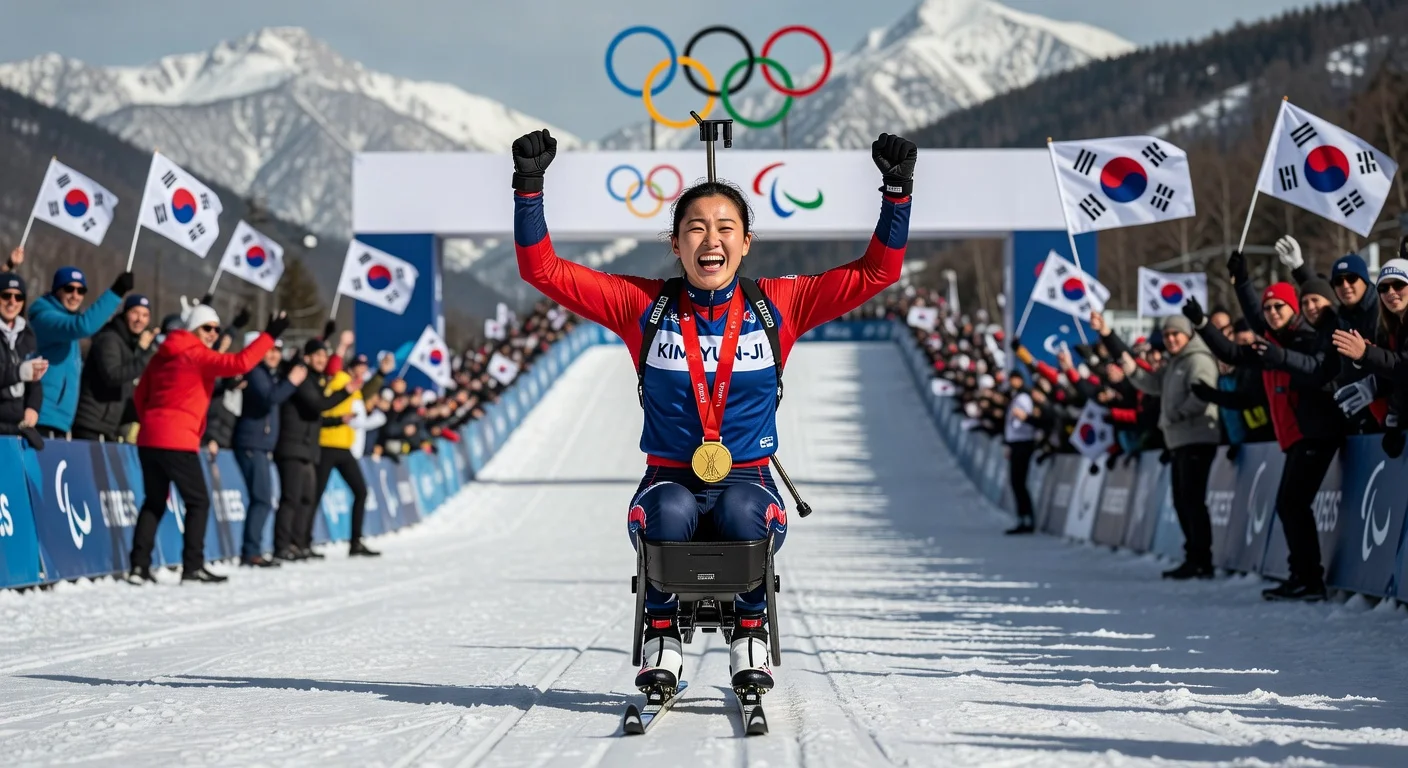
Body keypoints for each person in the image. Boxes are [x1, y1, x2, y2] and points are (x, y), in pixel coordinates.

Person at [510, 127, 916, 695]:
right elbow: (543, 271)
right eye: (695, 229)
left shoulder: (779, 304)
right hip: (667, 479)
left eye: (725, 228)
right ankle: (661, 631)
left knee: (745, 510)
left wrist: (897, 193)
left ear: (747, 242)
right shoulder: (642, 307)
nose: (711, 240)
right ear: (674, 244)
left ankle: (750, 629)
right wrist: (528, 189)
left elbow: (877, 273)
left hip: (749, 478)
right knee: (670, 512)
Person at [1186, 252, 1340, 602]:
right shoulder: (1275, 343)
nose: (1271, 313)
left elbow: (1312, 364)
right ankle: (1302, 576)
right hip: (1296, 438)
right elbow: (1231, 353)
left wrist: (1244, 285)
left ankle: (1309, 579)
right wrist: (1202, 324)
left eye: (1279, 308)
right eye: (1268, 309)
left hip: (1315, 434)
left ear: (1294, 311)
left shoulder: (1304, 338)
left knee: (1292, 505)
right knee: (1290, 505)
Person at [126, 307, 288, 585]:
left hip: (151, 438)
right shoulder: (196, 354)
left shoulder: (161, 355)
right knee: (198, 501)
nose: (213, 334)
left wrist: (153, 422)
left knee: (154, 501)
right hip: (177, 440)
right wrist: (270, 335)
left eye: (216, 328)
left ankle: (139, 567)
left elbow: (140, 395)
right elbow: (240, 362)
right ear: (192, 329)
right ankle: (193, 567)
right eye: (207, 328)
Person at [1121, 314, 1220, 580]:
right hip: (1179, 440)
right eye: (1167, 335)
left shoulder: (1198, 359)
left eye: (1176, 334)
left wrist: (1176, 414)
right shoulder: (1175, 362)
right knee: (1182, 501)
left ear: (1188, 335)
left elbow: (1203, 394)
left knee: (1193, 501)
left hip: (1198, 437)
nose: (1171, 339)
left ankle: (1202, 559)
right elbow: (1152, 384)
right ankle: (1193, 556)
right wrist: (1131, 370)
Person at [274, 338, 356, 561]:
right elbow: (317, 406)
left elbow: (316, 418)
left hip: (308, 448)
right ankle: (282, 546)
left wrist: (339, 420)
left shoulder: (315, 380)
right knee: (290, 498)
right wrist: (345, 392)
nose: (321, 359)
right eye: (317, 355)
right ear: (307, 357)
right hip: (292, 446)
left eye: (324, 355)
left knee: (307, 498)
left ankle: (300, 544)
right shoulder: (301, 376)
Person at [30, 265, 133, 437]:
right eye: (69, 289)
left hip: (61, 422)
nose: (75, 295)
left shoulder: (68, 323)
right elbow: (83, 326)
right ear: (57, 290)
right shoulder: (46, 318)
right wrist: (116, 291)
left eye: (81, 290)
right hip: (41, 417)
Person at [232, 332, 305, 568]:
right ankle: (251, 551)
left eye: (276, 351)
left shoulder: (268, 374)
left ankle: (253, 549)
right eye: (269, 350)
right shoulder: (255, 373)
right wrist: (292, 381)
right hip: (251, 443)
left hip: (261, 445)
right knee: (262, 499)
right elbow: (269, 398)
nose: (274, 355)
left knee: (263, 499)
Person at [1333, 257, 1408, 459]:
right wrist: (1392, 419)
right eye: (1383, 288)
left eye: (1399, 284)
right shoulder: (1389, 328)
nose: (1391, 292)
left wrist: (1366, 355)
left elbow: (1404, 365)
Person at [314, 352, 379, 557]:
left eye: (365, 366)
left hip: (344, 446)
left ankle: (356, 542)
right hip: (328, 443)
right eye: (359, 365)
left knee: (361, 491)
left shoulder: (353, 385)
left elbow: (365, 392)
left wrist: (381, 374)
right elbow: (327, 400)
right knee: (315, 494)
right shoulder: (340, 379)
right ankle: (301, 541)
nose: (362, 369)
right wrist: (340, 348)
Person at [71, 294, 156, 441]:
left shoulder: (131, 344)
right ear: (125, 314)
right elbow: (113, 375)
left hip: (109, 427)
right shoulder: (109, 338)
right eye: (135, 313)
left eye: (145, 315)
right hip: (90, 423)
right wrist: (147, 356)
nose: (139, 320)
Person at [0, 271, 48, 447]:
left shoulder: (27, 334)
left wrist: (33, 409)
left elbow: (35, 382)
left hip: (18, 427)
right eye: (6, 295)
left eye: (18, 297)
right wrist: (19, 372)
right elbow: (22, 373)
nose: (12, 302)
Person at [1002, 370, 1038, 534]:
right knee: (1016, 482)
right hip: (1016, 443)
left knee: (1019, 482)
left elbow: (1027, 419)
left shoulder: (1023, 398)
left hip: (1023, 443)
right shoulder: (1017, 397)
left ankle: (1027, 519)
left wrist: (1022, 417)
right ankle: (1022, 517)